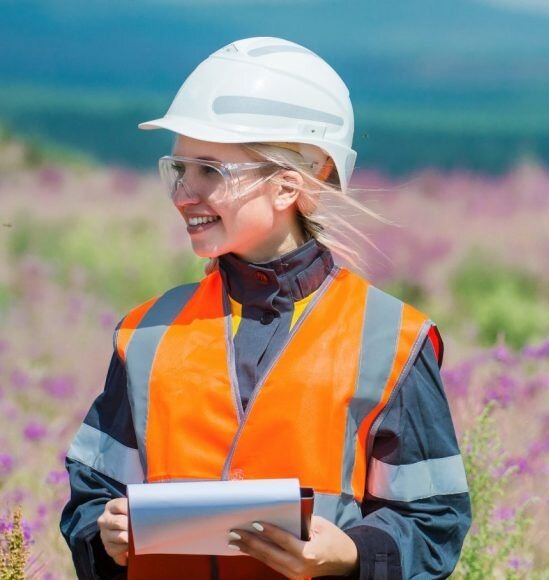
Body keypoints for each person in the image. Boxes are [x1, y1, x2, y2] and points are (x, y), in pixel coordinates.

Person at [59, 37, 471, 580]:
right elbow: (92, 499)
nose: (185, 193)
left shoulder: (391, 340)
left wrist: (348, 554)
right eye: (179, 168)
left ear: (287, 187)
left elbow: (433, 521)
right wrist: (104, 534)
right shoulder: (146, 334)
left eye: (210, 170)